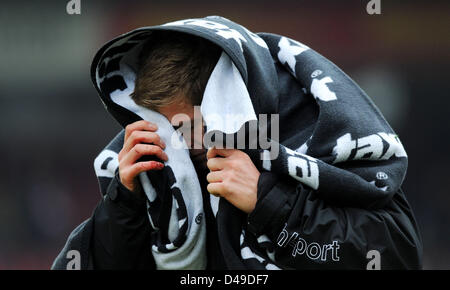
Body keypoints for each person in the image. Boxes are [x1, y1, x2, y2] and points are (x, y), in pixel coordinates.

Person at [52, 16, 422, 270]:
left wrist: (272, 202)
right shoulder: (150, 159)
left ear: (228, 103)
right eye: (168, 126)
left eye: (191, 126)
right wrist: (124, 207)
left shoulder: (317, 133)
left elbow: (397, 257)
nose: (180, 142)